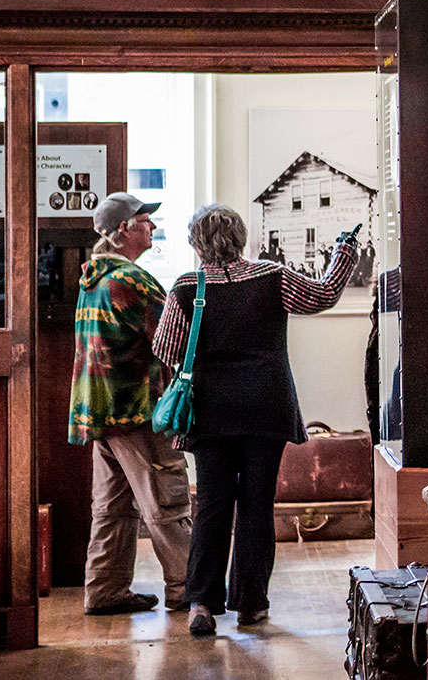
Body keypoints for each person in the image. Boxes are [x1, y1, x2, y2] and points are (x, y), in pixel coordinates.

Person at [153, 204, 358, 636]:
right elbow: (322, 295)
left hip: (211, 412)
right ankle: (251, 603)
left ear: (197, 244)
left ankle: (202, 604)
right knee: (257, 503)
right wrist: (344, 255)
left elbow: (166, 349)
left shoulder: (188, 287)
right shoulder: (272, 276)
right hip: (267, 405)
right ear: (241, 237)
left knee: (212, 504)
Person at [68, 193, 192, 616]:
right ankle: (186, 588)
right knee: (166, 500)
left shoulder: (93, 278)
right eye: (145, 219)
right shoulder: (131, 281)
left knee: (112, 507)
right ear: (125, 228)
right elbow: (173, 338)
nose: (152, 226)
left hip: (98, 410)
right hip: (136, 409)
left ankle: (105, 590)